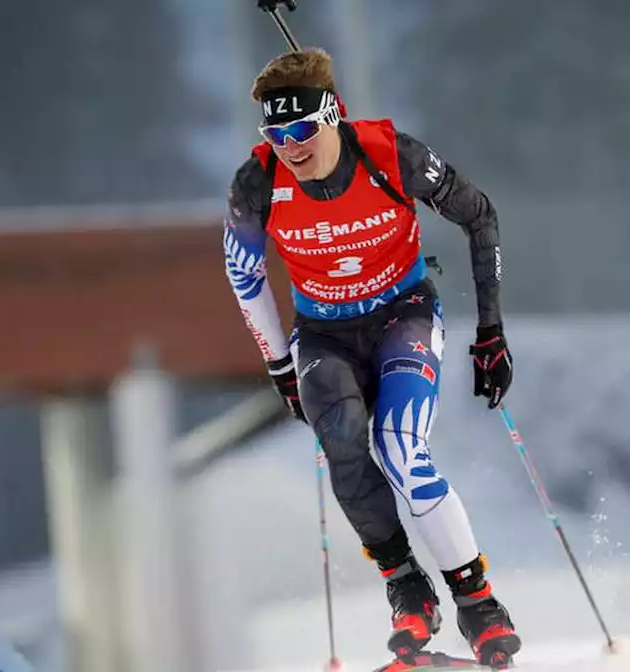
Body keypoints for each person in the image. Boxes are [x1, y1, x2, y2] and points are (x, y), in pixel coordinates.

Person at [222, 47, 521, 667]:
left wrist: (490, 330)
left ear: (333, 114)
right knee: (344, 442)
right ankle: (407, 586)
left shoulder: (390, 156)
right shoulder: (257, 183)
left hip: (401, 315)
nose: (291, 147)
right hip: (323, 333)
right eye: (276, 134)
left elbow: (480, 214)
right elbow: (243, 275)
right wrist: (280, 365)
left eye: (302, 129)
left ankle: (479, 605)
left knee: (398, 448)